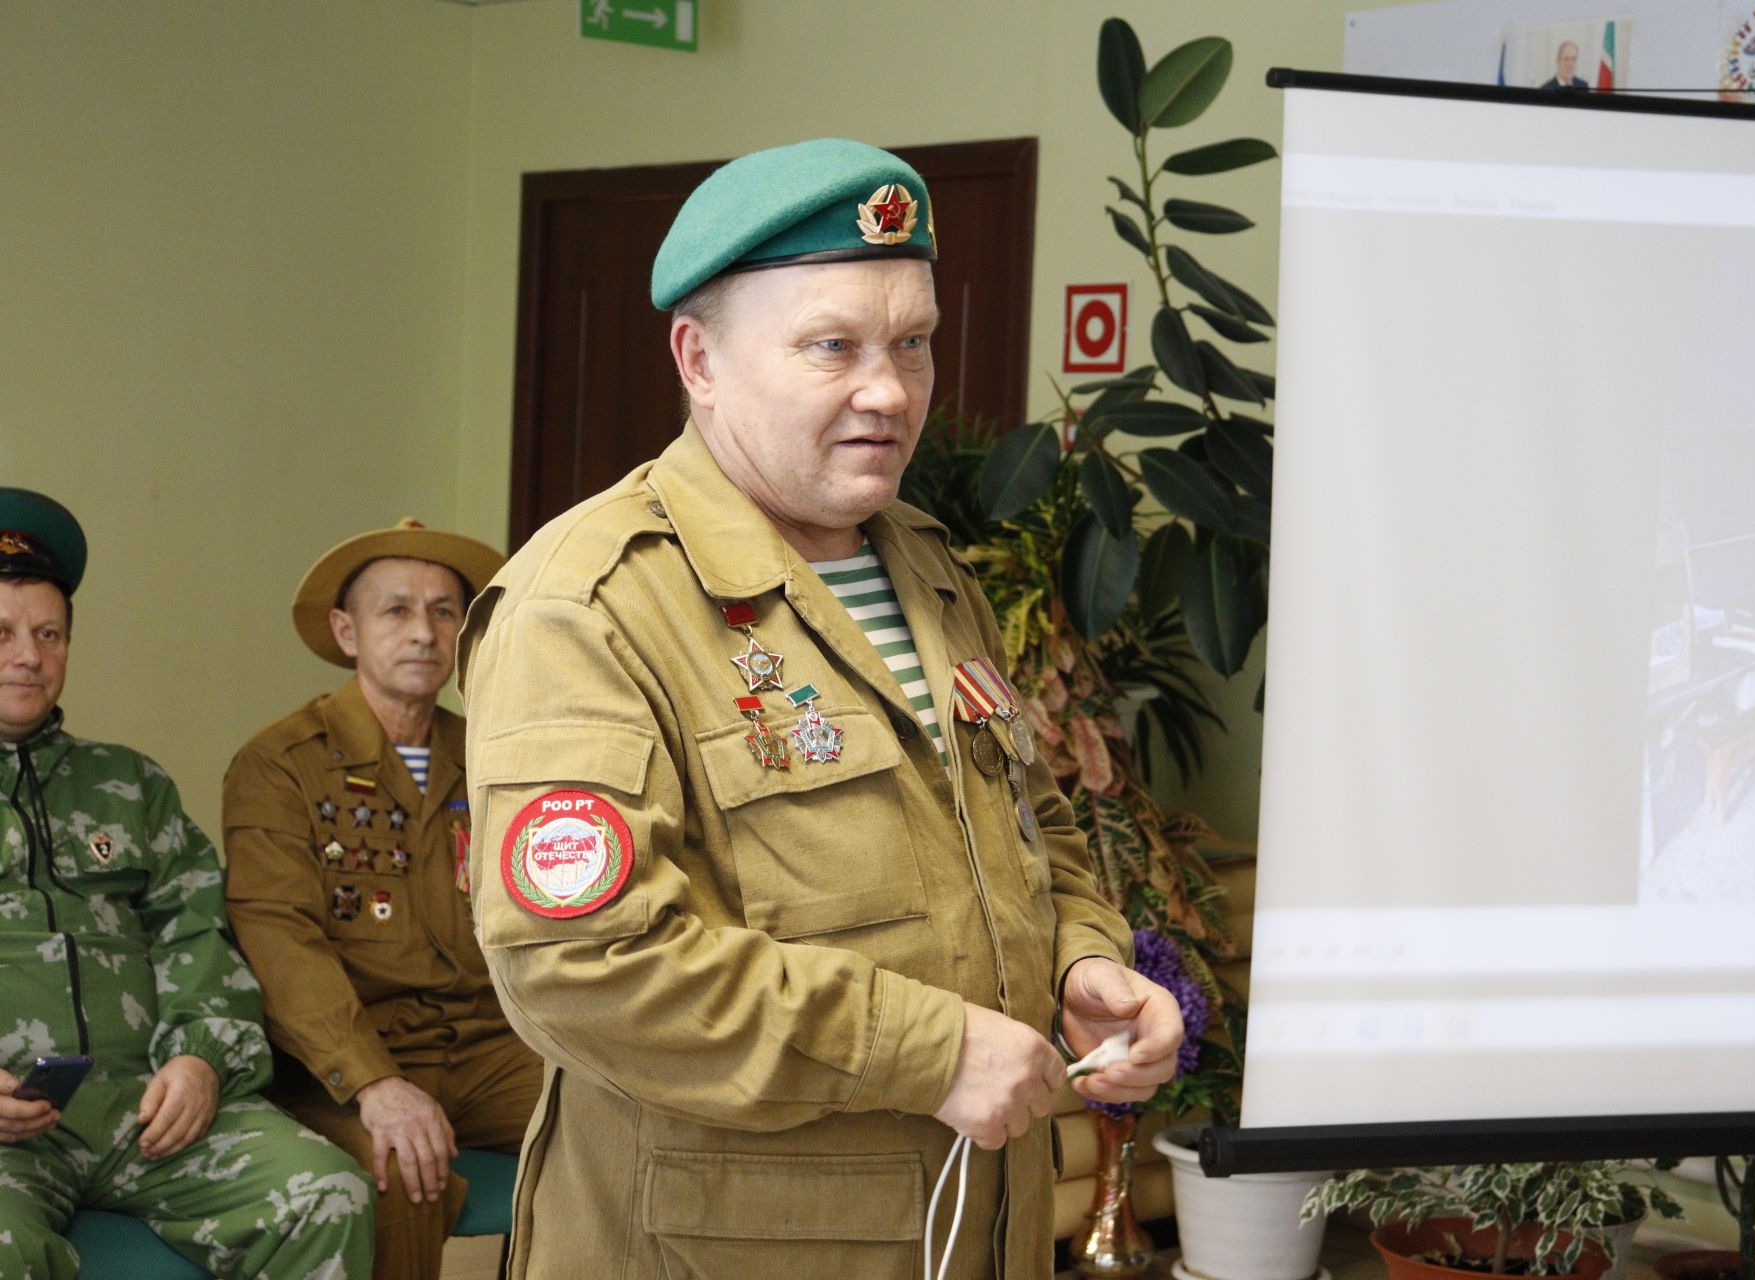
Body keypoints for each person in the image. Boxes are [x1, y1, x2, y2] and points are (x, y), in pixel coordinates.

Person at [457, 138, 1185, 1279]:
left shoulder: (930, 571)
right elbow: (582, 963)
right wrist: (931, 1049)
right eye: (831, 345)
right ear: (698, 358)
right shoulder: (589, 602)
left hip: (971, 1234)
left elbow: (1034, 831)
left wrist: (1081, 968)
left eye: (914, 342)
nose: (889, 390)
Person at [0, 487, 373, 1280]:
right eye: (2, 633)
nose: (28, 656)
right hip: (7, 1145)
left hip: (147, 1113)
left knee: (325, 1193)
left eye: (49, 633)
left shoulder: (130, 784)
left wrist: (202, 1060)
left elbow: (197, 931)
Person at [222, 520, 541, 1280]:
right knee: (402, 1162)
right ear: (346, 630)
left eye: (443, 612)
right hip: (357, 1055)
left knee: (620, 1117)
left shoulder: (495, 756)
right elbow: (279, 939)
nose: (424, 633)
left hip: (490, 1043)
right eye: (396, 610)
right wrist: (374, 1082)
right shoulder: (283, 763)